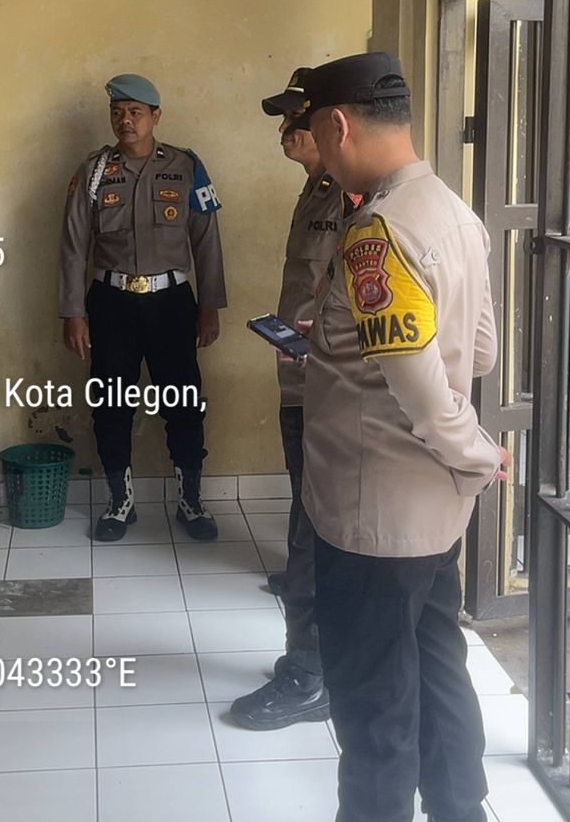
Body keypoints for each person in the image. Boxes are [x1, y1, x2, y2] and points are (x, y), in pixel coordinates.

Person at [297, 52, 508, 822]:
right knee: (438, 668)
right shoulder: (454, 211)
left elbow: (425, 400)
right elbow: (478, 352)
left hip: (373, 518)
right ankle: (461, 811)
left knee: (374, 711)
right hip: (433, 516)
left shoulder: (377, 231)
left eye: (315, 132)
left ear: (338, 124)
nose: (317, 151)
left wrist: (480, 457)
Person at [230, 68, 353, 730]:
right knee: (303, 512)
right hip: (300, 376)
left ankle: (309, 673)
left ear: (330, 124)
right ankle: (312, 649)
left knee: (313, 530)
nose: (284, 131)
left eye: (294, 121)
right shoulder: (317, 188)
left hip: (324, 384)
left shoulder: (356, 198)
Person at [58, 74, 228, 542]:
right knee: (111, 403)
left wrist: (210, 305)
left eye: (135, 112)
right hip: (111, 303)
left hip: (172, 303)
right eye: (117, 112)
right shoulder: (94, 170)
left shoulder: (186, 166)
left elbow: (207, 241)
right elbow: (73, 246)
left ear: (156, 116)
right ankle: (120, 502)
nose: (125, 120)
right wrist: (73, 312)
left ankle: (191, 501)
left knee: (184, 401)